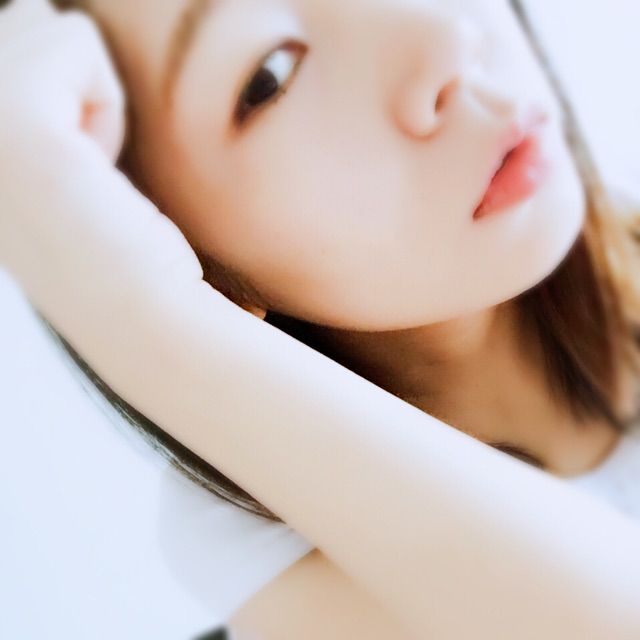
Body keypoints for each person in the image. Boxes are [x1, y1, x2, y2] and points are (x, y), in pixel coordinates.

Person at [2, 0, 640, 638]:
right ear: (173, 240)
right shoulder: (273, 551)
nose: (445, 40)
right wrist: (148, 315)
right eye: (270, 76)